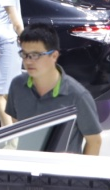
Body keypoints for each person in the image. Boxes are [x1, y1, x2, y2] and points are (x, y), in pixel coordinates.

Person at [6, 24, 102, 155]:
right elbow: (16, 123)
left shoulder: (77, 95)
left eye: (35, 55)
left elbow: (94, 141)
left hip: (60, 167)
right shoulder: (17, 86)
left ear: (54, 56)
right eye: (24, 54)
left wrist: (79, 168)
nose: (28, 61)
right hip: (27, 164)